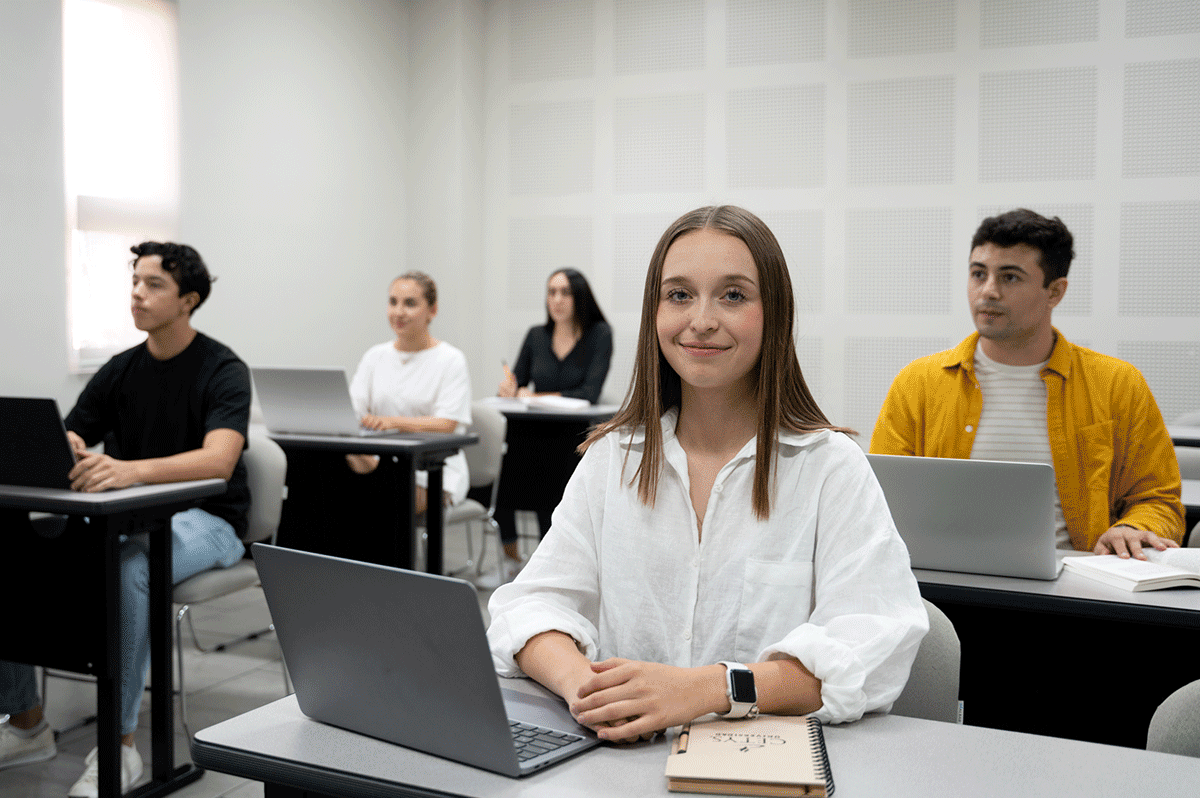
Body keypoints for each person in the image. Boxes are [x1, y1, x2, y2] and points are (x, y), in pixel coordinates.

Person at [487, 206, 927, 741]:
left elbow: (873, 646)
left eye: (733, 295)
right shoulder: (612, 460)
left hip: (767, 769)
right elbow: (533, 606)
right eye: (679, 295)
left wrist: (709, 689)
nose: (701, 320)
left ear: (775, 314)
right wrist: (588, 689)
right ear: (655, 312)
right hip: (616, 762)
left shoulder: (829, 468)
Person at [0, 242, 251, 796]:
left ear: (187, 300)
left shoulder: (223, 368)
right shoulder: (121, 370)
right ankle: (25, 724)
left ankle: (123, 748)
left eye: (153, 284)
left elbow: (220, 460)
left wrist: (131, 471)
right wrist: (63, 444)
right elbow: (70, 433)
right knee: (10, 555)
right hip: (129, 516)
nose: (137, 292)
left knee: (130, 567)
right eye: (135, 281)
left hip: (209, 521)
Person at [870, 208, 1184, 558]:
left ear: (1055, 292)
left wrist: (1131, 527)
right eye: (978, 274)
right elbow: (879, 496)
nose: (988, 292)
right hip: (945, 582)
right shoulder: (918, 383)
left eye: (1010, 278)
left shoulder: (1117, 384)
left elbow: (1158, 500)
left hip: (1076, 588)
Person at [489, 269, 613, 581]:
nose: (556, 300)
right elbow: (516, 383)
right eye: (551, 292)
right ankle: (513, 562)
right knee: (502, 490)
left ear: (580, 298)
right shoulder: (536, 335)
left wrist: (534, 393)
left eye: (565, 292)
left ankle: (550, 569)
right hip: (527, 429)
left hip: (571, 435)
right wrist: (508, 390)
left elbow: (590, 392)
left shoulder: (599, 334)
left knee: (552, 503)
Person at [345, 271, 472, 512]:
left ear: (432, 311)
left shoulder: (451, 360)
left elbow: (446, 424)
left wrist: (389, 422)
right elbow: (353, 410)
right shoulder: (375, 356)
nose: (398, 312)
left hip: (432, 470)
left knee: (384, 495)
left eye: (410, 303)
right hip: (380, 461)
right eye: (393, 302)